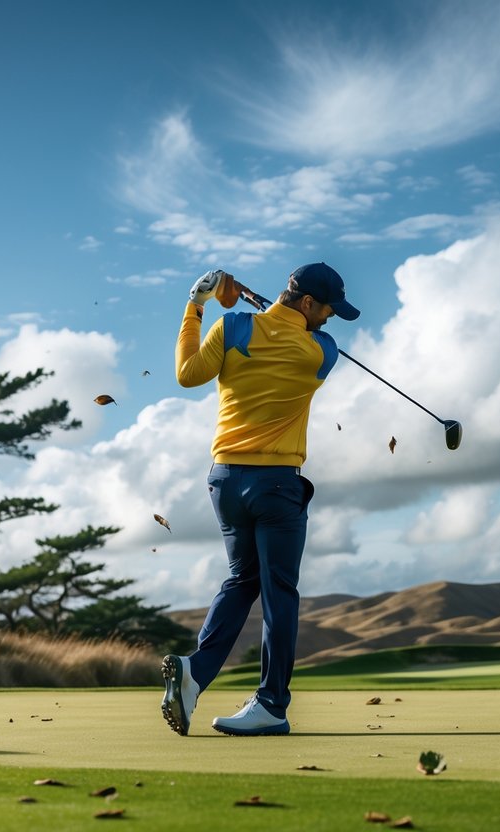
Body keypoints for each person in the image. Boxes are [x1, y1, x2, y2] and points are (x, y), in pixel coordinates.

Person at [161, 262, 359, 737]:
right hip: (276, 485)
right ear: (309, 303)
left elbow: (188, 374)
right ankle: (271, 702)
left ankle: (195, 673)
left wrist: (197, 305)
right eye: (328, 308)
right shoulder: (319, 352)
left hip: (225, 480)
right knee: (279, 593)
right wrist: (272, 313)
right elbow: (307, 336)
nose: (331, 318)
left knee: (241, 579)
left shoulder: (232, 327)